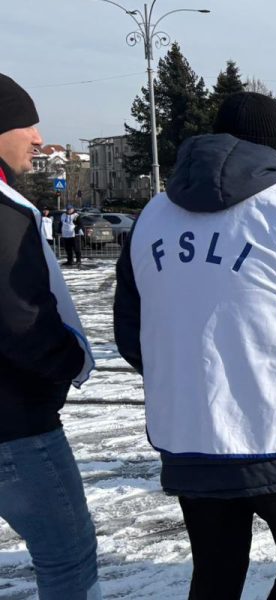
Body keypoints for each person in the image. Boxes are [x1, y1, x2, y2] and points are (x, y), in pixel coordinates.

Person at [114, 92, 276, 599]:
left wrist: (183, 375)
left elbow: (130, 330)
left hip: (187, 426)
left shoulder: (154, 215)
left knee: (215, 567)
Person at [0, 72, 101, 600]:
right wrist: (68, 361)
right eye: (25, 124)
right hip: (17, 424)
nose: (37, 138)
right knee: (69, 555)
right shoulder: (3, 214)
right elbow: (20, 319)